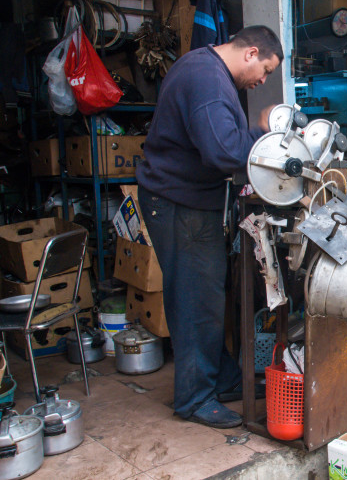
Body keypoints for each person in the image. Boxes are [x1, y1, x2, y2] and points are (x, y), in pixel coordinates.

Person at [136, 25, 283, 429]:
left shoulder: (207, 73)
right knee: (195, 298)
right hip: (180, 204)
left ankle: (219, 379)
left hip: (190, 203)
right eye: (266, 70)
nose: (263, 80)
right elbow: (223, 150)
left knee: (207, 294)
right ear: (251, 52)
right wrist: (264, 132)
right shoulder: (206, 79)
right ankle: (194, 399)